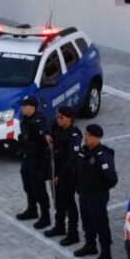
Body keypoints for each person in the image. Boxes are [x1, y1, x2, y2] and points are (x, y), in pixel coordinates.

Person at [73, 124, 117, 259]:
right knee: (86, 220)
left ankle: (106, 253)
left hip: (97, 196)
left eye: (89, 135)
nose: (85, 137)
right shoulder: (83, 151)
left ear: (97, 138)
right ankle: (90, 245)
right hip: (84, 193)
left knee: (100, 223)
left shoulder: (103, 155)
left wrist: (99, 190)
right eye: (85, 134)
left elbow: (112, 179)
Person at [45, 105, 82, 246]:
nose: (58, 119)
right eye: (57, 116)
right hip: (56, 169)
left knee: (69, 204)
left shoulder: (74, 134)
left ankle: (73, 234)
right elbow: (49, 125)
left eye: (61, 117)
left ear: (69, 119)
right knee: (58, 201)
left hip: (67, 174)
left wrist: (59, 176)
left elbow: (71, 159)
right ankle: (59, 227)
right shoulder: (57, 126)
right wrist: (47, 135)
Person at [15, 96, 52, 229]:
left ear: (32, 107)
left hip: (38, 160)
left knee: (39, 189)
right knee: (28, 185)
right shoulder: (25, 119)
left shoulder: (39, 121)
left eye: (24, 106)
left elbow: (44, 143)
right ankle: (32, 210)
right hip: (27, 157)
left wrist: (43, 166)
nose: (22, 108)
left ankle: (45, 216)